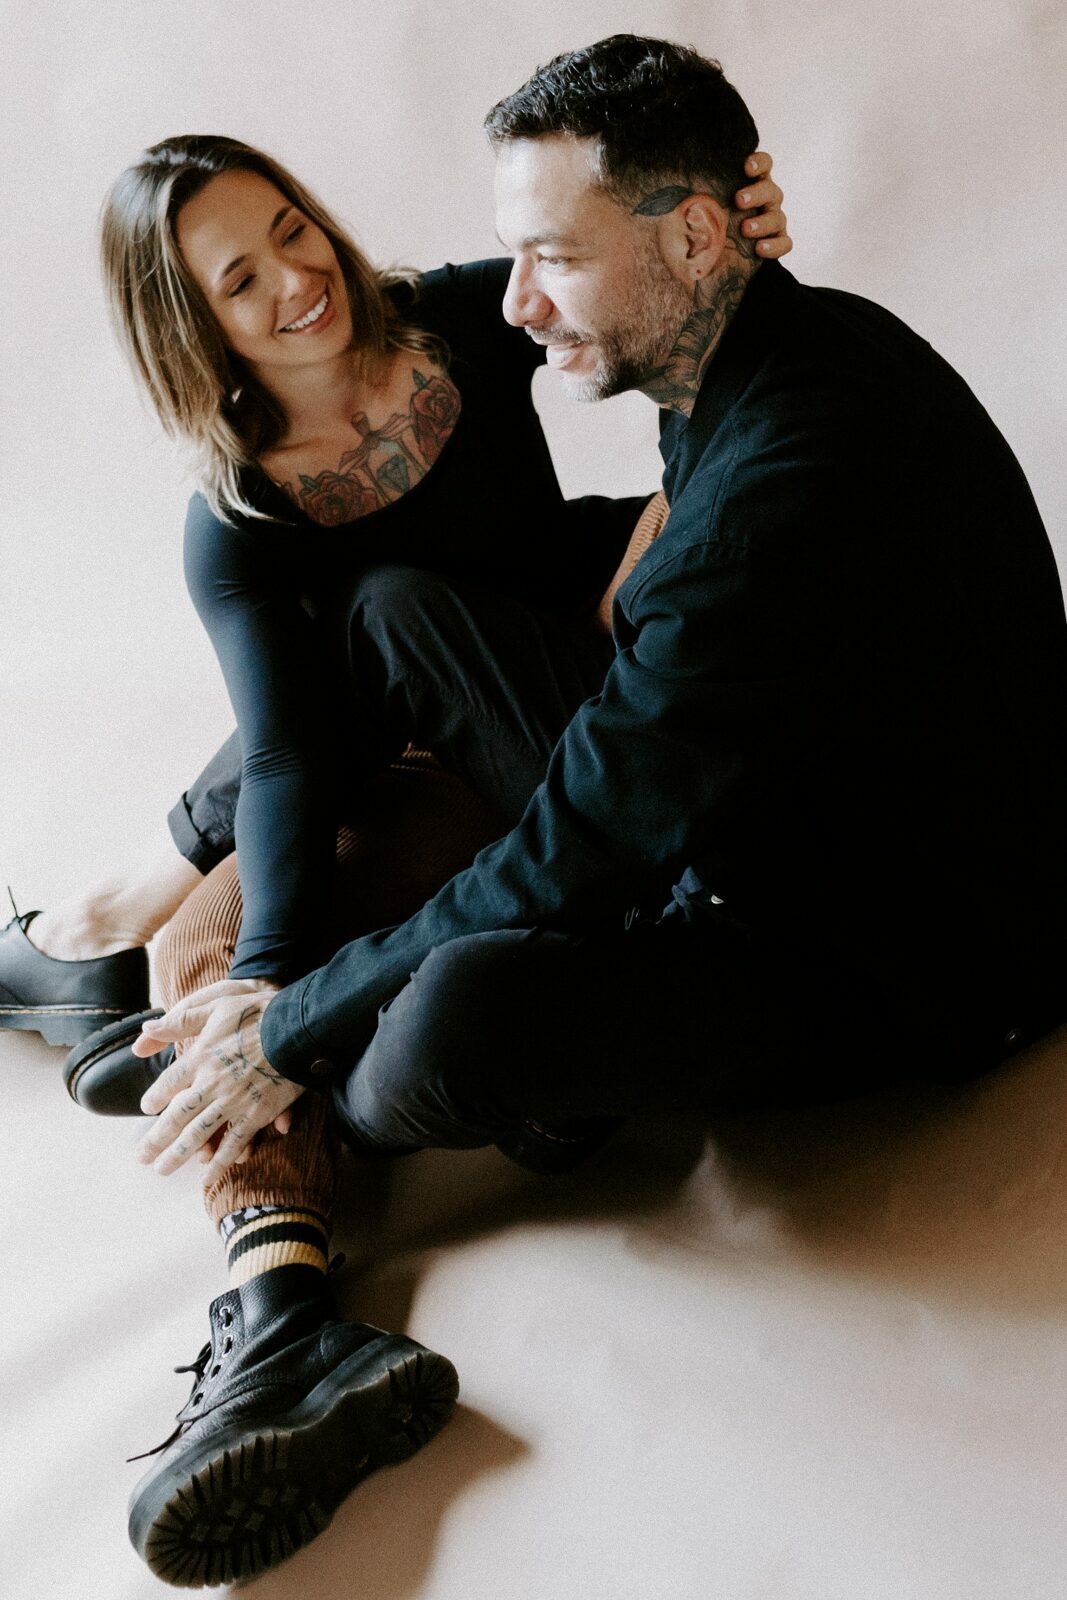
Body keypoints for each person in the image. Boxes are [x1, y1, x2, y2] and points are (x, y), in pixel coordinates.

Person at [116, 30, 1067, 1585]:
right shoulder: (744, 336)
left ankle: (280, 1263)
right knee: (394, 619)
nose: (517, 304)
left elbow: (584, 844)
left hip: (904, 944)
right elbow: (554, 751)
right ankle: (210, 1044)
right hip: (747, 791)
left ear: (690, 241)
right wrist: (281, 970)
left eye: (553, 259)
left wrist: (298, 1024)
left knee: (447, 1022)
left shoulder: (772, 501)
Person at [0, 120, 792, 1585]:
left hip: (569, 733)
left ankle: (87, 947)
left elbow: (611, 267)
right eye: (241, 280)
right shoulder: (237, 516)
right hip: (422, 774)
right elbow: (287, 763)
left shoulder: (461, 319)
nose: (295, 278)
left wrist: (724, 214)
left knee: (380, 619)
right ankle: (284, 1321)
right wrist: (265, 985)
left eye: (290, 230)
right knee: (210, 951)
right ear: (194, 329)